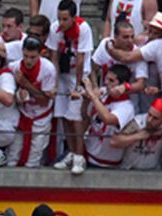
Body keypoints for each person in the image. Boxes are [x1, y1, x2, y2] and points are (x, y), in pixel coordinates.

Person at [47, 0, 93, 175]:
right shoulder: (54, 28)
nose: (61, 23)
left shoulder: (84, 28)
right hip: (64, 74)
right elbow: (54, 56)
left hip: (78, 74)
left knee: (75, 117)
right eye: (59, 18)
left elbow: (81, 59)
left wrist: (78, 86)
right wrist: (55, 84)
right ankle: (72, 153)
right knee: (63, 116)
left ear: (74, 17)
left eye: (65, 19)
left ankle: (80, 157)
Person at [8, 37, 57, 168]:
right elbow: (9, 95)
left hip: (41, 117)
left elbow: (44, 101)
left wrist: (26, 84)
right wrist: (18, 94)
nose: (28, 61)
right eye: (26, 56)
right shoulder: (14, 67)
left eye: (33, 57)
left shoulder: (48, 69)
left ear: (40, 54)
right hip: (22, 114)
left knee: (34, 159)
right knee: (12, 157)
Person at [80, 65, 135, 168]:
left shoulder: (127, 107)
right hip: (87, 153)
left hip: (104, 164)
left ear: (122, 85)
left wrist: (93, 97)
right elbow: (85, 115)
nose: (106, 83)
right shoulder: (104, 92)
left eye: (111, 80)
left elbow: (108, 119)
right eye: (106, 78)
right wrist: (86, 99)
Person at [114, 97, 162, 170]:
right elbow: (114, 142)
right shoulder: (136, 122)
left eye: (155, 118)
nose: (149, 120)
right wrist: (138, 136)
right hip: (129, 170)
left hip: (153, 172)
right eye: (149, 114)